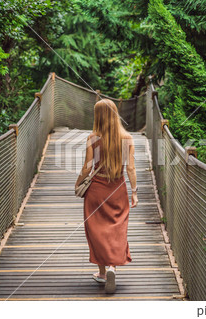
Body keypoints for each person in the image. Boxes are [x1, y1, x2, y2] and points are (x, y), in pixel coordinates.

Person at [74, 98, 138, 294]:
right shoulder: (127, 138)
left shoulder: (93, 137)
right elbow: (131, 168)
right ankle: (112, 268)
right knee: (117, 228)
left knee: (97, 230)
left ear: (98, 116)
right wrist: (134, 192)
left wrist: (78, 182)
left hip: (96, 190)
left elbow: (87, 167)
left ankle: (102, 272)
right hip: (117, 189)